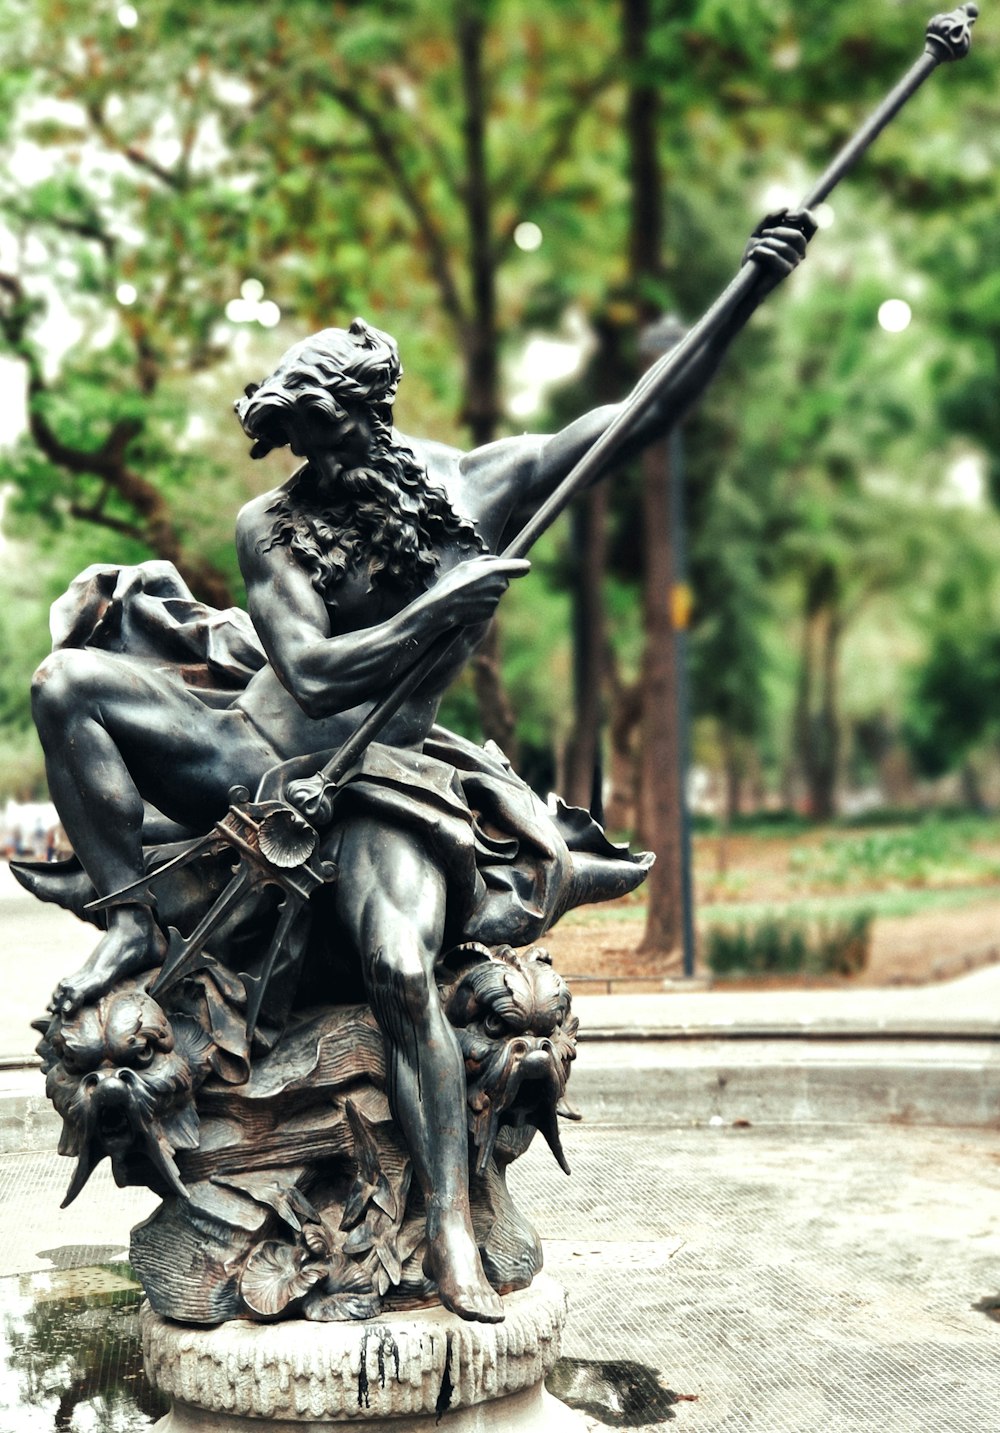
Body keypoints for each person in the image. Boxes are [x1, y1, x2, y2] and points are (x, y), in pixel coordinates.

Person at [28, 212, 812, 1320]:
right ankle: (128, 918)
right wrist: (436, 609)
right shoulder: (273, 525)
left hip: (386, 782)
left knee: (399, 965)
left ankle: (446, 1222)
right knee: (65, 684)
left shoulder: (478, 489)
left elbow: (637, 418)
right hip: (256, 752)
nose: (320, 466)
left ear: (373, 417)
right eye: (303, 448)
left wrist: (747, 291)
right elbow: (308, 666)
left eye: (334, 440)